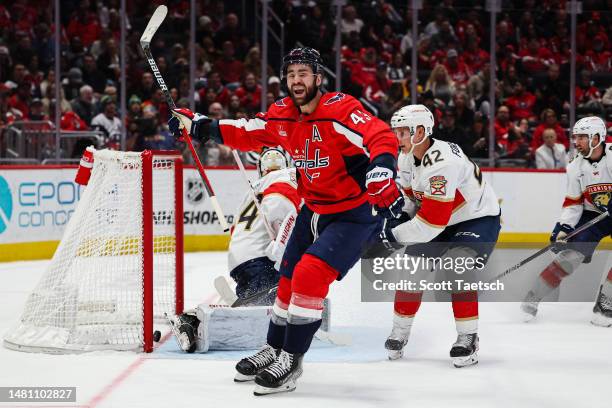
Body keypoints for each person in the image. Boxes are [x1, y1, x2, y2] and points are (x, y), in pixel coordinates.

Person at [169, 47, 399, 395]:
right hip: (314, 210)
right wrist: (199, 125)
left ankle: (291, 360)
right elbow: (247, 131)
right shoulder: (282, 114)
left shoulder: (339, 108)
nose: (297, 81)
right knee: (288, 277)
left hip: (353, 214)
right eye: (291, 75)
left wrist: (382, 166)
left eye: (304, 74)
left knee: (309, 275)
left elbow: (380, 135)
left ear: (318, 78)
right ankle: (274, 347)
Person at [380, 104, 501, 367]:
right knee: (411, 270)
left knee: (458, 267)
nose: (396, 138)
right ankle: (400, 332)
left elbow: (430, 225)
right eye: (396, 132)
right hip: (442, 220)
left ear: (421, 131)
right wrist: (399, 218)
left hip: (477, 218)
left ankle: (468, 337)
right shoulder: (406, 157)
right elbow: (414, 202)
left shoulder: (442, 163)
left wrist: (391, 236)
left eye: (403, 132)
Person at [170, 149, 301, 353]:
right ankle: (192, 319)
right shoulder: (287, 180)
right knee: (263, 316)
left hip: (240, 257)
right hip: (260, 258)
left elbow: (235, 229)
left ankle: (204, 317)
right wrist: (282, 245)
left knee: (261, 307)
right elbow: (289, 215)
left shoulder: (253, 191)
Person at [521, 116, 612, 327]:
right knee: (569, 257)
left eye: (582, 137)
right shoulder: (575, 166)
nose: (576, 142)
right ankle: (534, 296)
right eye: (576, 137)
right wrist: (562, 228)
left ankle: (605, 302)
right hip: (594, 215)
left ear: (597, 138)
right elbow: (573, 203)